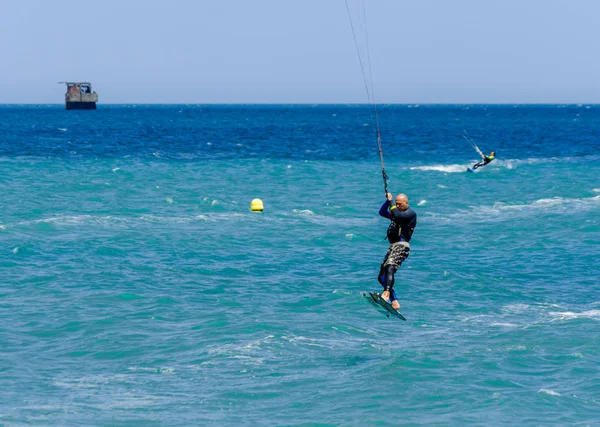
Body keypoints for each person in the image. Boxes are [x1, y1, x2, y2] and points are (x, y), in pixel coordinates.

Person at [378, 192, 417, 310]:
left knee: (390, 267)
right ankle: (394, 301)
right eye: (397, 204)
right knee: (381, 277)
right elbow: (382, 212)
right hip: (393, 246)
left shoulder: (410, 214)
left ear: (406, 203)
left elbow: (397, 215)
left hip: (402, 246)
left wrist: (391, 201)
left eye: (400, 204)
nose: (398, 206)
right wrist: (387, 201)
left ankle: (386, 294)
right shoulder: (397, 213)